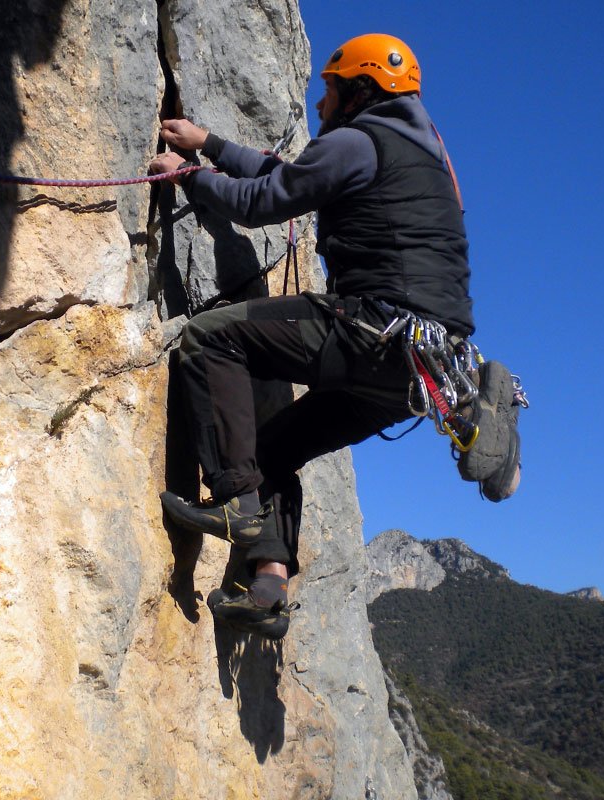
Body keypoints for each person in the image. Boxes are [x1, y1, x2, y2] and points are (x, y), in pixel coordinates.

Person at [148, 34, 477, 640]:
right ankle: (269, 586)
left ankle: (235, 502)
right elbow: (292, 176)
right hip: (419, 372)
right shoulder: (418, 159)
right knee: (274, 450)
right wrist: (209, 144)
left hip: (373, 330)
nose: (319, 101)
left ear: (359, 89)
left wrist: (189, 176)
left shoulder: (356, 140)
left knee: (210, 338)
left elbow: (264, 201)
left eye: (329, 88)